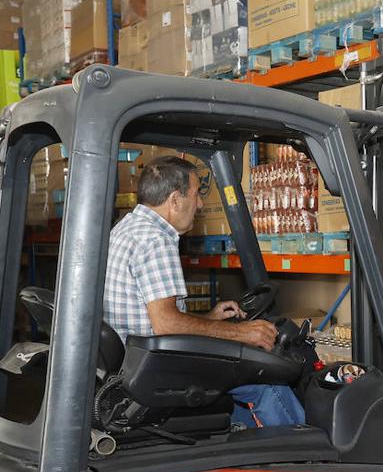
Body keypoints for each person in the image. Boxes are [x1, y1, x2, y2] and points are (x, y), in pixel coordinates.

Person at [104, 155, 305, 428]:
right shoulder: (155, 239)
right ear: (175, 200)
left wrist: (209, 319)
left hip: (133, 360)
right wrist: (243, 332)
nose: (199, 204)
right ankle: (299, 458)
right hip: (157, 366)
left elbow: (155, 316)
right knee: (268, 382)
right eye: (196, 194)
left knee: (237, 371)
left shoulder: (126, 228)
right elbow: (166, 324)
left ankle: (241, 439)